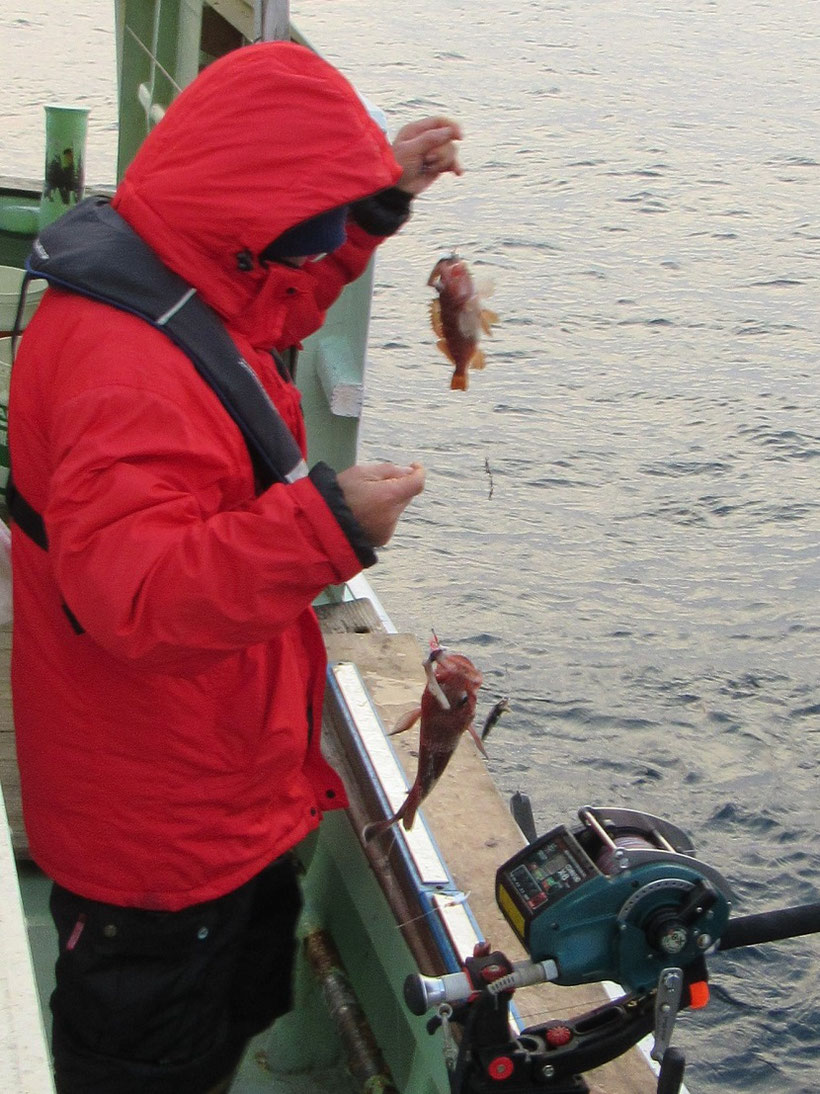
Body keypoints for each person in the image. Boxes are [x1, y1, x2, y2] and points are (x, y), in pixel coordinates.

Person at [8, 41, 462, 1094]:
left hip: (227, 789)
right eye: (311, 215)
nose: (307, 253)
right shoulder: (125, 372)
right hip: (153, 833)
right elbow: (137, 597)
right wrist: (324, 527)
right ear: (252, 210)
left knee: (232, 1017)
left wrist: (369, 208)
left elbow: (270, 299)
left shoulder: (177, 262)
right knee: (148, 1062)